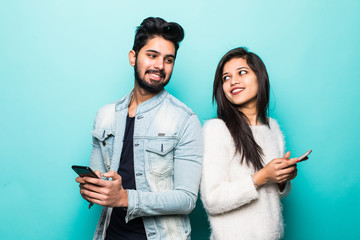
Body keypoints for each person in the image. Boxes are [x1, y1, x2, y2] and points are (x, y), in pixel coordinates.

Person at [76, 17, 203, 240]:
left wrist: (125, 198)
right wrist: (91, 189)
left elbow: (187, 199)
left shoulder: (184, 119)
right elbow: (100, 180)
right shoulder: (105, 115)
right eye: (152, 55)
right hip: (110, 234)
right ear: (133, 57)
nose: (160, 66)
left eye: (168, 59)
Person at [200, 47, 301, 240]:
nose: (233, 81)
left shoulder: (272, 127)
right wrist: (262, 176)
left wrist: (282, 179)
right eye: (225, 78)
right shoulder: (217, 130)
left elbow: (273, 197)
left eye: (242, 72)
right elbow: (212, 199)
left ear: (259, 77)